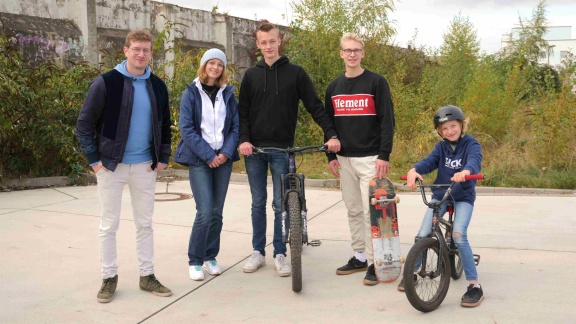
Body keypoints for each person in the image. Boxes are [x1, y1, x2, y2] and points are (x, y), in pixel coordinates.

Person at [76, 29, 173, 303]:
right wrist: (95, 161)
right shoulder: (107, 82)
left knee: (145, 224)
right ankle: (109, 278)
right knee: (109, 225)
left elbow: (164, 124)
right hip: (111, 166)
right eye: (136, 49)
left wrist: (163, 157)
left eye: (146, 50)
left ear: (151, 53)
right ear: (126, 50)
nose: (141, 54)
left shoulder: (157, 85)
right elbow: (84, 124)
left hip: (145, 166)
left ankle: (147, 275)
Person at [238, 22, 341, 277]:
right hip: (255, 152)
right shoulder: (251, 75)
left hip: (282, 150)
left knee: (279, 204)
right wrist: (244, 140)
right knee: (257, 203)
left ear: (279, 41)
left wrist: (331, 133)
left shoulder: (296, 73)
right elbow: (242, 113)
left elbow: (315, 106)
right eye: (263, 43)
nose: (268, 46)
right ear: (258, 45)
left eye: (272, 41)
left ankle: (280, 253)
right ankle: (257, 252)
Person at [325, 32, 395, 286]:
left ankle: (377, 263)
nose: (352, 54)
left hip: (370, 158)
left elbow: (387, 121)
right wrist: (331, 156)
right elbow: (329, 125)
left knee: (371, 214)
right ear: (341, 54)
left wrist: (384, 155)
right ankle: (359, 256)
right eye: (348, 50)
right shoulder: (333, 87)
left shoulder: (377, 82)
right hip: (344, 160)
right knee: (353, 210)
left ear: (363, 53)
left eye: (357, 50)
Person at [397, 105, 484, 307]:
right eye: (444, 129)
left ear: (461, 125)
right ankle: (414, 272)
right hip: (441, 194)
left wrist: (467, 171)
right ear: (439, 131)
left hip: (463, 196)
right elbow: (429, 162)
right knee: (422, 234)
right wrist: (414, 170)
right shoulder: (441, 147)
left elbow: (475, 160)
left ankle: (474, 285)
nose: (449, 131)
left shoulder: (472, 144)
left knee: (459, 235)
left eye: (453, 126)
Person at [174, 48, 239, 281]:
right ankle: (194, 260)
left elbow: (234, 128)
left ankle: (211, 256)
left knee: (217, 213)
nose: (215, 67)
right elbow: (187, 129)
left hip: (223, 160)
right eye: (211, 63)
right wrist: (208, 156)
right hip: (201, 161)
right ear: (204, 66)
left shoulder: (228, 93)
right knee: (204, 211)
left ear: (223, 69)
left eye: (219, 64)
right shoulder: (191, 93)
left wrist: (225, 153)